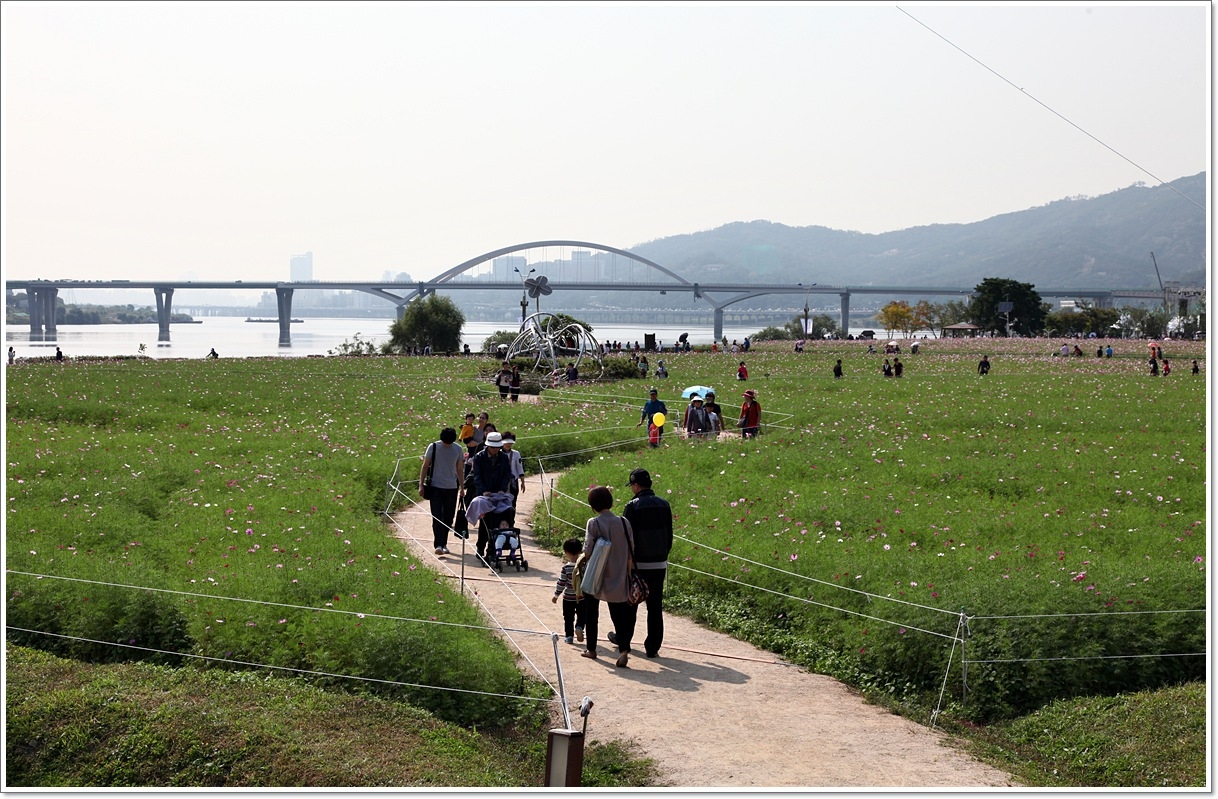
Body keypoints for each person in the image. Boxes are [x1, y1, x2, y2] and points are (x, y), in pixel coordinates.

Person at [579, 486, 636, 667]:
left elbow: (588, 551)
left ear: (593, 505)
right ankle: (624, 651)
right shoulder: (624, 522)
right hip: (618, 573)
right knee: (619, 615)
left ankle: (591, 649)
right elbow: (630, 551)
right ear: (610, 502)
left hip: (596, 574)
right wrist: (628, 573)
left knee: (591, 613)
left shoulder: (593, 523)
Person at [619, 468, 673, 659]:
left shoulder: (632, 506)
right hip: (659, 563)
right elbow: (669, 536)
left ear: (636, 485)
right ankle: (653, 647)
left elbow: (626, 537)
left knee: (630, 604)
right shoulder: (664, 504)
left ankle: (624, 641)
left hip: (637, 565)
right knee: (655, 607)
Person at [470, 432, 516, 561]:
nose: (495, 450)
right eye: (492, 447)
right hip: (484, 495)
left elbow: (507, 474)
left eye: (497, 447)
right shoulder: (479, 457)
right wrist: (484, 490)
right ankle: (480, 547)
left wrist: (502, 489)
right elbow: (477, 476)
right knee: (485, 522)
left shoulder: (503, 458)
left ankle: (492, 549)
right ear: (488, 446)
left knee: (499, 521)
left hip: (499, 494)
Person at [419, 427, 464, 556]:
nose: (447, 445)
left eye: (449, 443)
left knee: (449, 517)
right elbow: (425, 466)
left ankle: (444, 543)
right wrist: (420, 484)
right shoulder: (433, 446)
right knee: (437, 516)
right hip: (435, 487)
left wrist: (462, 487)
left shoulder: (458, 449)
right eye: (445, 442)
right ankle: (438, 544)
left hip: (452, 487)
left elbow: (460, 469)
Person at [552, 538, 586, 645]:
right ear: (581, 551)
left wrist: (556, 595)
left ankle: (569, 636)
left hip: (568, 598)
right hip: (581, 597)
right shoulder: (584, 566)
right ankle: (579, 627)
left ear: (566, 552)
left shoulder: (566, 568)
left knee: (568, 618)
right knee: (582, 615)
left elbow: (561, 583)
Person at [501, 431, 526, 506]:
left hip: (513, 482)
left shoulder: (516, 454)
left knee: (513, 502)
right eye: (506, 443)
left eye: (510, 443)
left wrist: (522, 482)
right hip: (501, 482)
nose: (508, 445)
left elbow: (519, 467)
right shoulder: (498, 454)